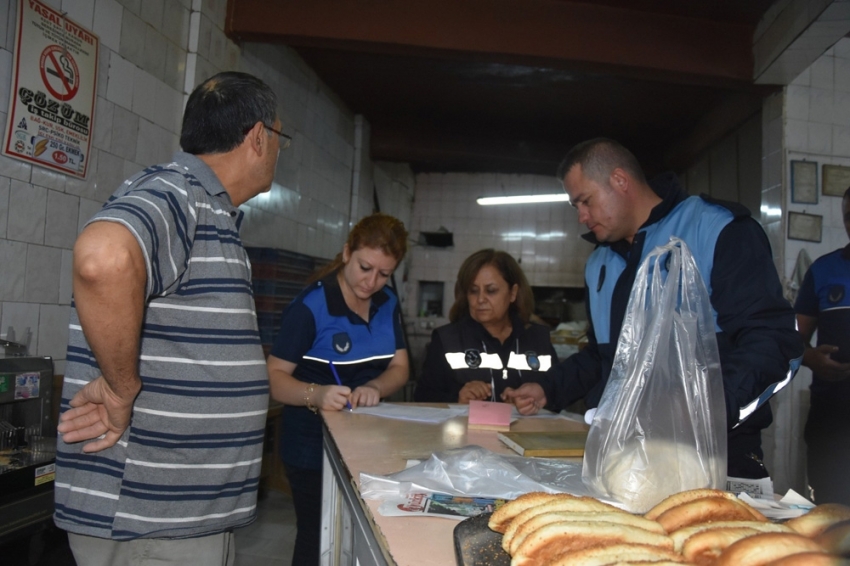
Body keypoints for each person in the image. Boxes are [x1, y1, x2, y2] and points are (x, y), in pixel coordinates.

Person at [53, 72, 286, 565]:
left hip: (175, 516)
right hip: (148, 519)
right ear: (259, 137)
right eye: (279, 138)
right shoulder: (177, 194)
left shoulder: (208, 210)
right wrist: (120, 389)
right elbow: (103, 258)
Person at [502, 138, 803, 479]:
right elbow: (604, 357)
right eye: (576, 207)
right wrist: (548, 388)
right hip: (621, 455)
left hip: (713, 455)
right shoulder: (600, 263)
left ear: (619, 180)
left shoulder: (716, 230)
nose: (582, 217)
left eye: (585, 201)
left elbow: (774, 341)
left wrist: (706, 412)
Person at [266, 213, 409, 564]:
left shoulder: (387, 302)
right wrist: (316, 394)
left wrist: (376, 385)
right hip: (313, 447)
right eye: (365, 267)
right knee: (319, 536)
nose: (371, 281)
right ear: (347, 253)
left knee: (363, 533)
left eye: (383, 274)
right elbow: (274, 377)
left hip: (368, 441)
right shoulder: (310, 307)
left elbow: (401, 367)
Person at [413, 249, 557, 404]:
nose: (480, 299)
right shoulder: (447, 340)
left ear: (513, 293)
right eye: (473, 291)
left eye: (491, 291)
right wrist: (457, 398)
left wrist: (531, 401)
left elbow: (558, 394)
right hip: (465, 428)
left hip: (528, 428)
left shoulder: (538, 338)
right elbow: (422, 398)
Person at [793, 187, 850, 504]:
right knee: (831, 508)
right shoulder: (823, 271)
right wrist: (810, 357)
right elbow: (791, 339)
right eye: (849, 216)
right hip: (832, 413)